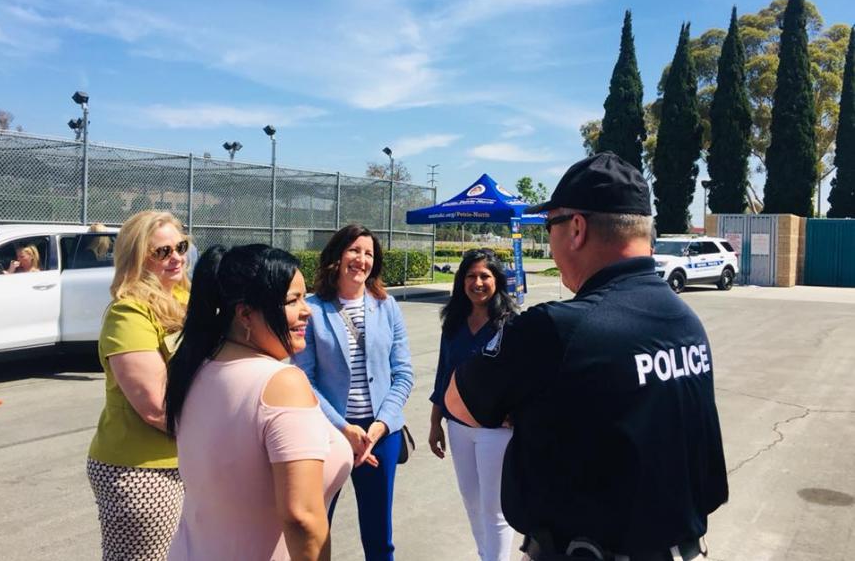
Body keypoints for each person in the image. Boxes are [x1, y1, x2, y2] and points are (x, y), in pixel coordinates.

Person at [445, 152, 728, 561]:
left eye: (549, 226)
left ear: (576, 228)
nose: (551, 241)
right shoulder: (687, 322)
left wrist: (520, 409)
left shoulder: (556, 329)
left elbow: (460, 401)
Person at [165, 245, 353, 561]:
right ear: (245, 314)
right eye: (292, 300)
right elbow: (302, 517)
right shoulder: (282, 383)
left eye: (304, 297)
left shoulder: (195, 368)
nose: (307, 310)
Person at [292, 224, 414, 561]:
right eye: (354, 251)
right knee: (317, 529)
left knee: (379, 535)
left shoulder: (387, 306)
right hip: (328, 433)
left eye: (369, 254)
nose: (361, 259)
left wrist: (377, 428)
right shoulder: (313, 309)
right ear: (337, 255)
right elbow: (304, 378)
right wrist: (343, 429)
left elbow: (403, 374)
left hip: (380, 435)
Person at [86, 211, 191, 561]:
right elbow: (155, 406)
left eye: (181, 246)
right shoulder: (129, 314)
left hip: (186, 461)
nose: (175, 257)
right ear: (137, 257)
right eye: (161, 252)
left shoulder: (187, 300)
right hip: (141, 470)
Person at [428, 248, 518, 561]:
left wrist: (518, 413)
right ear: (461, 281)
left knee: (494, 510)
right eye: (470, 276)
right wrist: (434, 423)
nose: (477, 282)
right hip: (458, 428)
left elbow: (527, 376)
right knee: (473, 504)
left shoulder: (511, 324)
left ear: (498, 281)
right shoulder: (453, 322)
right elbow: (443, 373)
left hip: (496, 431)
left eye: (485, 276)